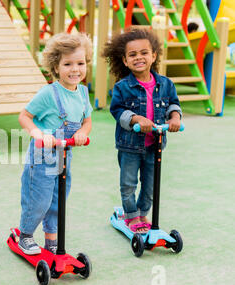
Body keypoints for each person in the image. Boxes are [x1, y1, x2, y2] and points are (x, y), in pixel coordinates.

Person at [17, 32, 93, 255]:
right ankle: (26, 235)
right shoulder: (48, 93)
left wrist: (81, 132)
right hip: (42, 157)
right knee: (39, 198)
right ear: (56, 66)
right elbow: (24, 116)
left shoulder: (83, 93)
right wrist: (38, 134)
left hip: (65, 155)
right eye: (67, 64)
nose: (75, 69)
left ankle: (51, 239)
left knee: (59, 199)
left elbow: (87, 121)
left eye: (80, 63)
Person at [102, 28, 182, 233]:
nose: (139, 57)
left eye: (144, 52)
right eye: (133, 54)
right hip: (129, 145)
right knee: (128, 184)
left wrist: (175, 118)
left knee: (150, 185)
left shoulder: (165, 84)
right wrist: (136, 118)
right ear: (125, 61)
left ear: (153, 56)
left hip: (154, 145)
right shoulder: (122, 87)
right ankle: (131, 216)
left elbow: (173, 104)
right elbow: (117, 110)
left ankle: (142, 213)